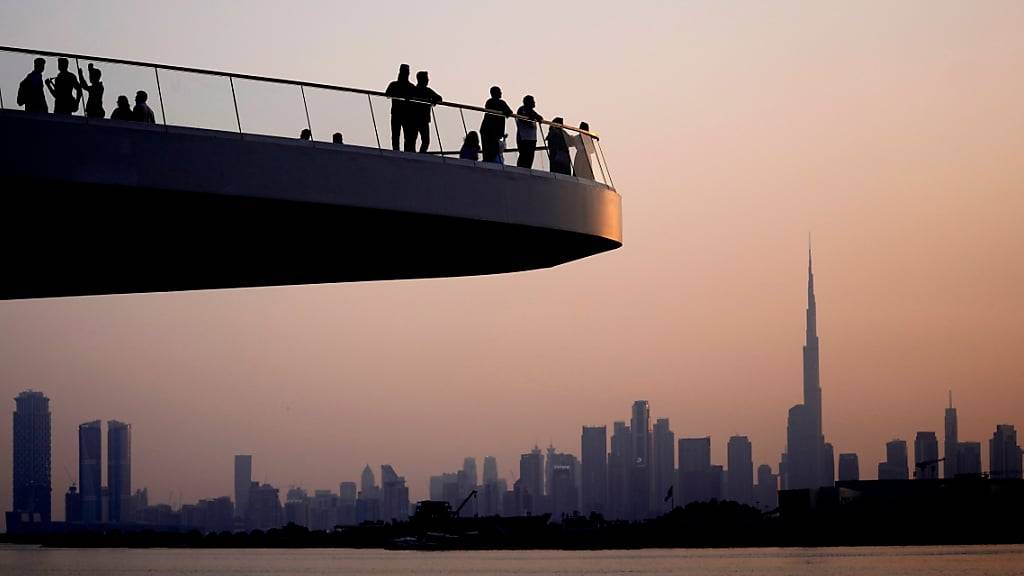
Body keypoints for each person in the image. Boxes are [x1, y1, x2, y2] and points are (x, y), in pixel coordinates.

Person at [405, 71, 442, 153]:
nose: (428, 80)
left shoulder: (415, 90)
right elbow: (439, 98)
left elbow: (439, 98)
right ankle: (419, 154)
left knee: (415, 140)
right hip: (419, 119)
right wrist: (433, 100)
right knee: (422, 140)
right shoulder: (424, 91)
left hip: (417, 119)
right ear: (422, 80)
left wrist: (434, 100)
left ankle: (415, 154)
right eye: (426, 78)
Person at [480, 86, 513, 163]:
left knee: (489, 150)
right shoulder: (494, 102)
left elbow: (509, 111)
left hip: (490, 130)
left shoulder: (494, 102)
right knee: (490, 150)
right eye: (499, 91)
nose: (501, 93)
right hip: (490, 130)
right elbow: (508, 112)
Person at [384, 64, 414, 151]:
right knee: (398, 135)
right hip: (399, 113)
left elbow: (387, 94)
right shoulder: (408, 86)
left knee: (403, 135)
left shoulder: (396, 85)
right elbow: (387, 94)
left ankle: (400, 151)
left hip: (403, 114)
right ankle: (399, 151)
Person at [515, 95, 543, 169]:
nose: (534, 103)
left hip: (532, 138)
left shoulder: (532, 111)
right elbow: (523, 119)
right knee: (524, 156)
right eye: (532, 101)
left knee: (530, 157)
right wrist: (531, 118)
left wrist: (536, 117)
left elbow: (539, 117)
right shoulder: (522, 109)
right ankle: (520, 170)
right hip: (524, 138)